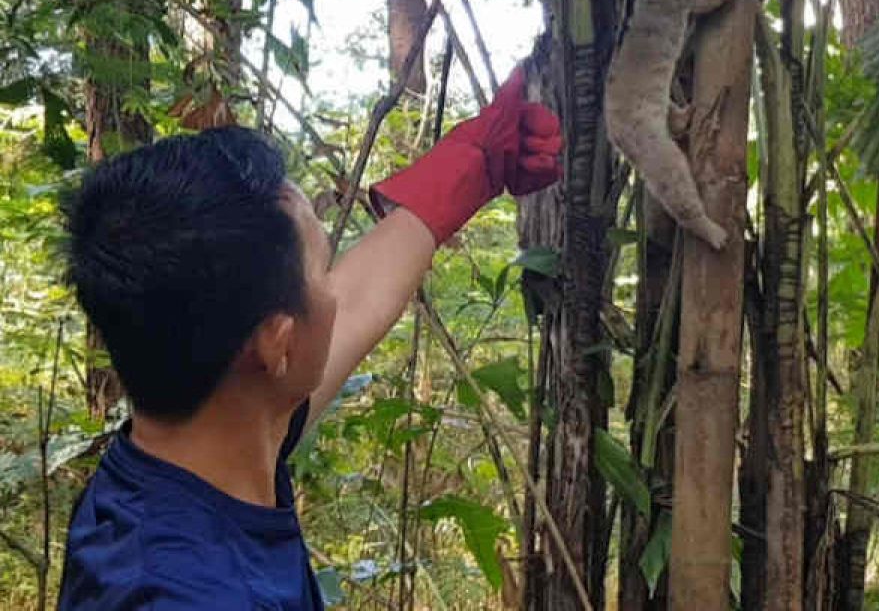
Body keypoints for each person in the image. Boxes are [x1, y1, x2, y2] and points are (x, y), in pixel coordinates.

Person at [56, 68, 561, 610]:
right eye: (323, 273)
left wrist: (474, 161)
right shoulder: (181, 594)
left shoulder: (186, 456)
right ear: (276, 344)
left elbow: (359, 300)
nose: (335, 290)